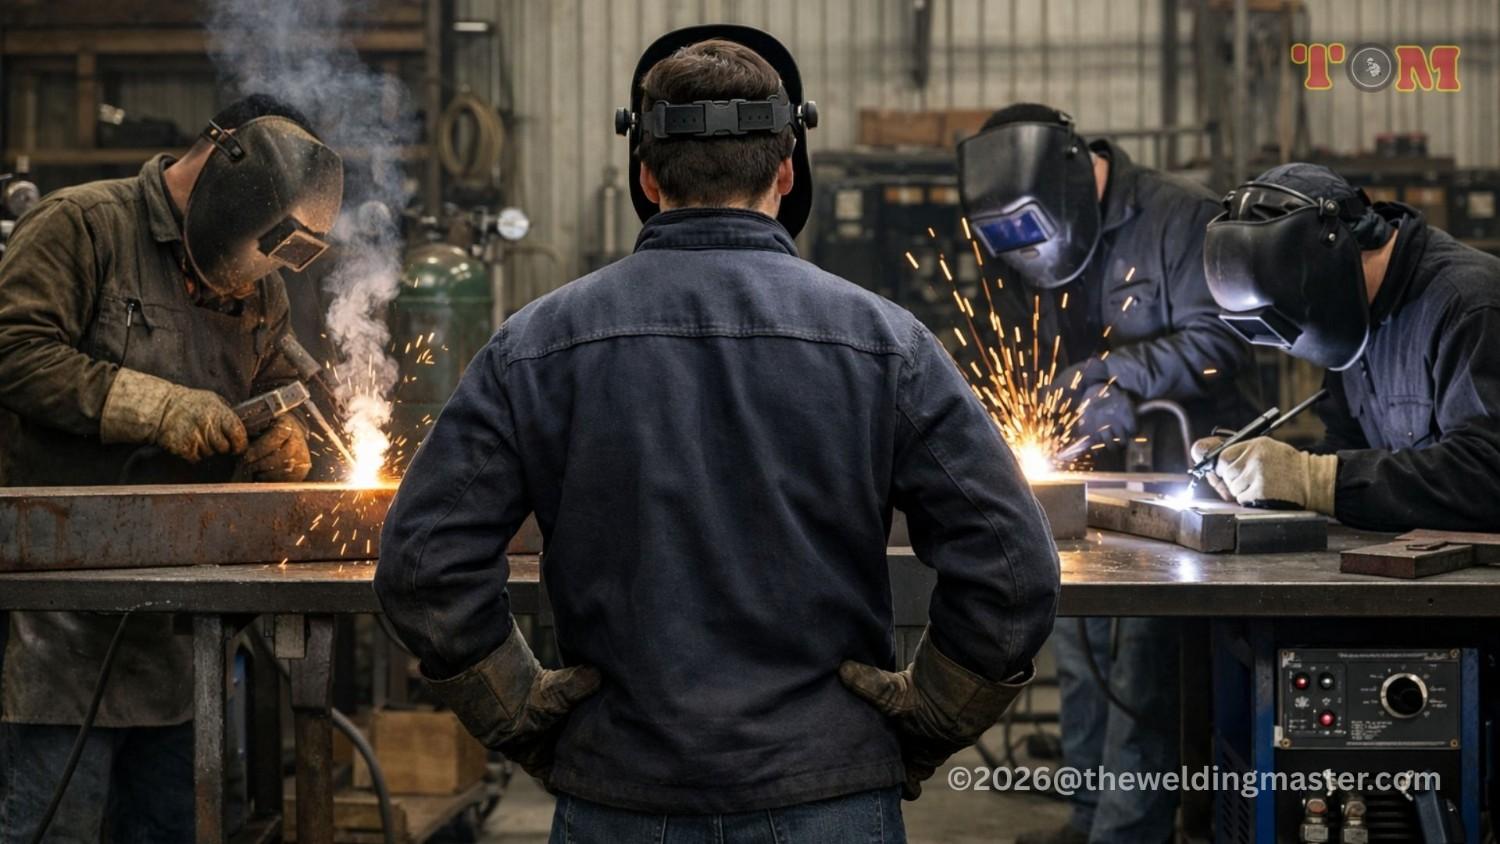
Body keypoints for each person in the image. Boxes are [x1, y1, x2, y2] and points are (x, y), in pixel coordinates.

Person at [376, 27, 1060, 844]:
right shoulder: (886, 343)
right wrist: (932, 714)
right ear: (787, 169)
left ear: (646, 175)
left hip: (620, 792)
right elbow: (1014, 569)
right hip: (829, 788)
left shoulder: (537, 345)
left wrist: (518, 708)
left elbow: (422, 563)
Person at [0, 94, 342, 842]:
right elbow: (13, 352)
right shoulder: (81, 226)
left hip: (186, 648)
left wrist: (279, 441)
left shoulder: (263, 287)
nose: (244, 282)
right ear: (224, 163)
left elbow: (267, 391)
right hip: (57, 637)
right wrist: (147, 404)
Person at [958, 104, 1259, 844]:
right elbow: (1021, 348)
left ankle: (1129, 831)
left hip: (1179, 481)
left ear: (1070, 181)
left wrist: (1114, 377)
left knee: (1144, 659)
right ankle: (1090, 815)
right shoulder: (1024, 229)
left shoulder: (1182, 218)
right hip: (1085, 481)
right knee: (1077, 639)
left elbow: (1227, 339)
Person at [1194, 163, 1500, 531]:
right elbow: (1350, 445)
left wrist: (1316, 480)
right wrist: (1266, 472)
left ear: (1329, 259)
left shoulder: (1469, 306)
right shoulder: (1351, 313)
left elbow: (1486, 475)